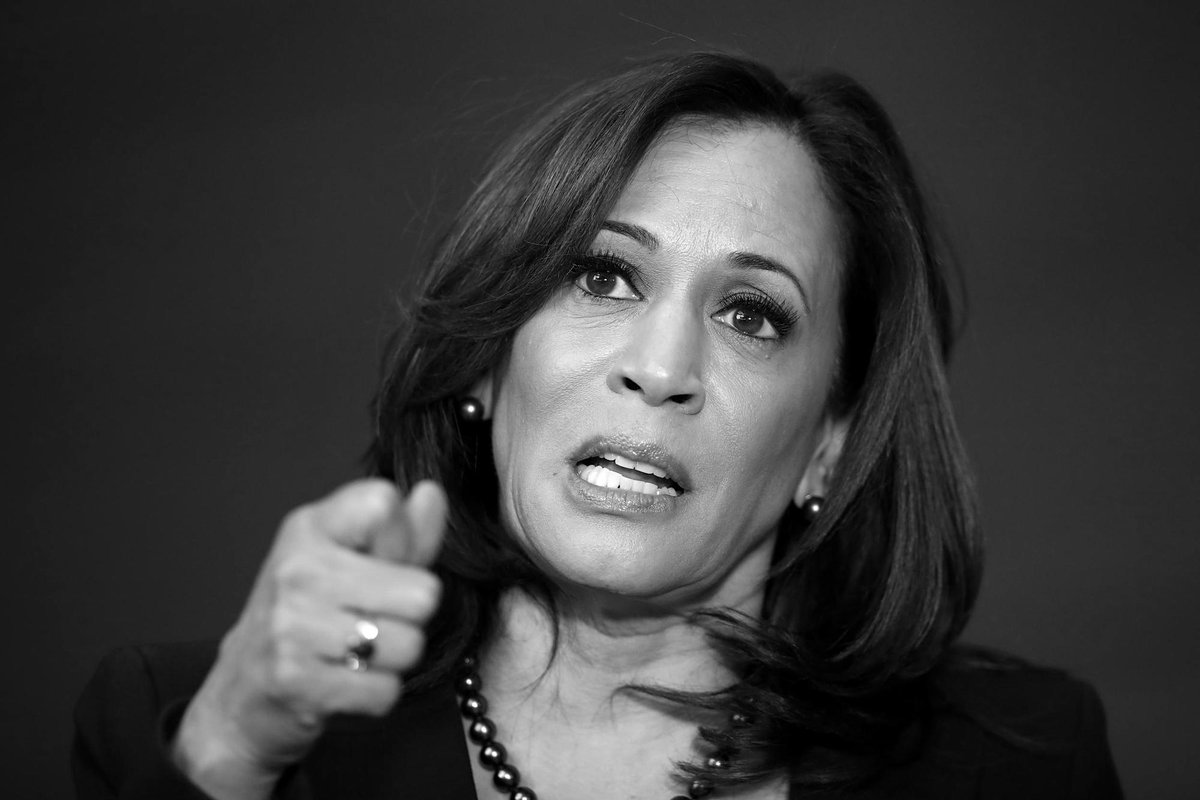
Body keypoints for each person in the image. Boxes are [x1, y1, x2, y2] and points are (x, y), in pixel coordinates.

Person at [72, 52, 1122, 799]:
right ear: (489, 356)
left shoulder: (1022, 762)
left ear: (830, 443)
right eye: (603, 276)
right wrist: (228, 754)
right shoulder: (193, 728)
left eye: (751, 316)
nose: (660, 369)